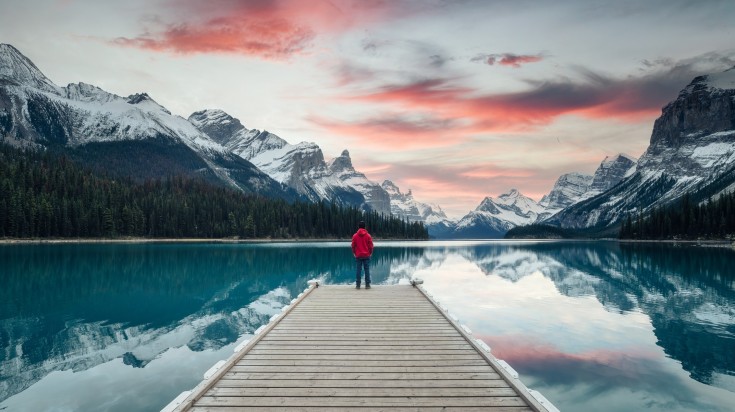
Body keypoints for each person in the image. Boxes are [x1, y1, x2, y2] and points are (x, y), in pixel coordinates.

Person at [351, 220, 374, 289]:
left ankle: (358, 285)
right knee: (367, 269)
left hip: (358, 255)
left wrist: (354, 253)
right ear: (365, 227)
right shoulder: (368, 235)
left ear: (358, 227)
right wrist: (370, 253)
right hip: (366, 255)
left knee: (358, 270)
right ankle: (367, 285)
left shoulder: (355, 236)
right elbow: (371, 246)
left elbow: (353, 245)